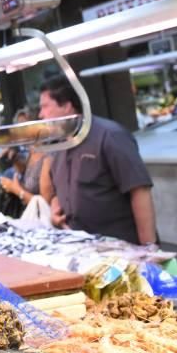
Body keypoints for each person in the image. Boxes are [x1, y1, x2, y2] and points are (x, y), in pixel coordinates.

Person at [39, 76, 157, 245]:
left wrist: (148, 248)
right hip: (82, 249)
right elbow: (57, 192)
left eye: (44, 107)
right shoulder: (59, 146)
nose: (40, 114)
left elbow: (139, 190)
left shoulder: (110, 136)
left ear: (66, 105)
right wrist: (55, 207)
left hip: (121, 249)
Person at [0, 108, 54, 205]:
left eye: (24, 126)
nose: (20, 132)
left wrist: (15, 189)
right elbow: (28, 175)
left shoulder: (48, 155)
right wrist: (14, 159)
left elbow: (45, 204)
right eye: (18, 127)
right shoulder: (31, 151)